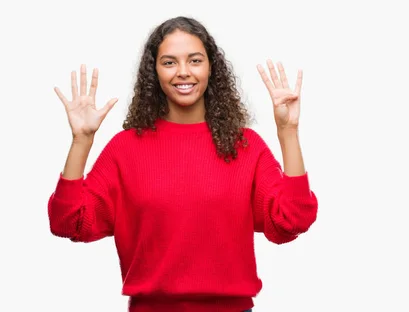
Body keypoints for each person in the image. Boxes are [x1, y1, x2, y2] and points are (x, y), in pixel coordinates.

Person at [47, 16, 318, 312]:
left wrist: (288, 132)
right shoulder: (124, 150)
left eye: (195, 60)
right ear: (155, 72)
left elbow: (292, 219)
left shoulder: (245, 145)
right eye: (169, 62)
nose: (184, 72)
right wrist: (81, 141)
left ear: (211, 68)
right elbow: (67, 223)